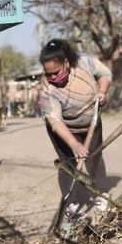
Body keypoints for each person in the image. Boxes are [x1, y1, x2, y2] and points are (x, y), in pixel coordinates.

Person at [37, 39, 112, 226]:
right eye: (49, 74)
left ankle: (100, 194)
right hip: (64, 129)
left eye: (56, 72)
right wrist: (74, 144)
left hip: (91, 122)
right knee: (68, 164)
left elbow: (104, 73)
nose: (53, 77)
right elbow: (55, 122)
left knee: (94, 158)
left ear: (67, 63)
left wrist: (102, 91)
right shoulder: (46, 90)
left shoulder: (84, 62)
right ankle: (73, 203)